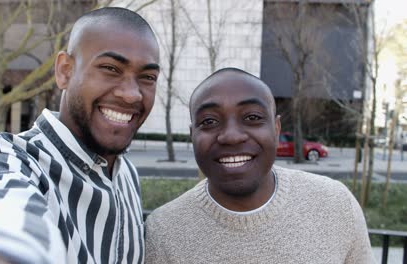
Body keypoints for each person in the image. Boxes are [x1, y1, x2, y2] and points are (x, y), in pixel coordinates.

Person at [0, 7, 160, 264]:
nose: (132, 94)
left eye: (147, 77)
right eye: (110, 68)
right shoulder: (6, 157)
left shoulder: (127, 175)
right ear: (65, 71)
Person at [145, 68, 375, 264]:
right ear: (192, 134)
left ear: (276, 129)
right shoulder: (162, 231)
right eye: (209, 121)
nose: (232, 136)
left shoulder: (335, 204)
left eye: (252, 117)